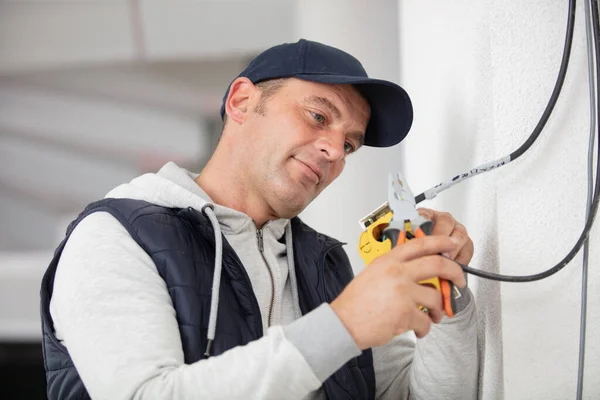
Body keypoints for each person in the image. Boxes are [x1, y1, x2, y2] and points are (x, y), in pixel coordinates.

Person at [40, 39, 480, 400]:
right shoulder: (116, 237)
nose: (333, 150)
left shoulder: (327, 267)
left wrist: (444, 288)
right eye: (318, 116)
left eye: (349, 144)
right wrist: (342, 325)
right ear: (242, 101)